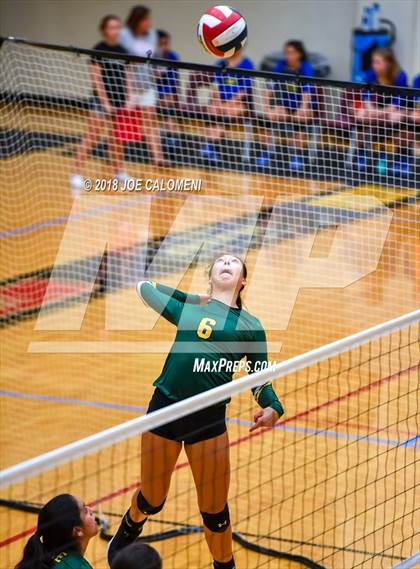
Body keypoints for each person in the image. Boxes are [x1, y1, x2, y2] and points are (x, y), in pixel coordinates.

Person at [107, 254, 284, 569]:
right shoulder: (190, 309)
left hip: (209, 419)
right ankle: (133, 522)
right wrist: (198, 297)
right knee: (152, 499)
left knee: (215, 513)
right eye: (220, 262)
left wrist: (272, 406)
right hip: (166, 409)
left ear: (243, 280)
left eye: (234, 263)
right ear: (211, 276)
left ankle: (225, 566)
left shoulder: (251, 326)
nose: (227, 263)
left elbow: (259, 379)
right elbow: (145, 287)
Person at [70, 15, 132, 195]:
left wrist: (128, 99)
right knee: (91, 137)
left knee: (118, 141)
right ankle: (75, 174)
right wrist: (105, 103)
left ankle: (119, 173)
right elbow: (96, 79)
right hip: (101, 102)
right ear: (104, 30)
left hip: (120, 102)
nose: (115, 31)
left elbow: (127, 76)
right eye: (112, 27)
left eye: (118, 27)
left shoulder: (123, 50)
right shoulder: (99, 49)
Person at [119, 5, 164, 164]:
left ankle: (158, 158)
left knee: (151, 121)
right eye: (145, 19)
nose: (148, 22)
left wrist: (158, 70)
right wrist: (127, 91)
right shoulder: (124, 35)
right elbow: (122, 62)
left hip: (147, 86)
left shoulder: (152, 35)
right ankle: (117, 159)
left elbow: (156, 56)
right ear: (137, 20)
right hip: (129, 87)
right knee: (121, 124)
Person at [15, 494, 98, 569]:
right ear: (78, 531)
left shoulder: (44, 560)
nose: (90, 509)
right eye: (85, 511)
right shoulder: (79, 567)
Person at [264, 40, 315, 122]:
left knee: (300, 117)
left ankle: (301, 132)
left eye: (292, 53)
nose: (288, 56)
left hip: (303, 105)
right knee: (274, 115)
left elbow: (307, 91)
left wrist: (302, 108)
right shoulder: (280, 66)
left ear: (300, 54)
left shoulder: (306, 68)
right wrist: (266, 109)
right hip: (284, 106)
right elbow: (269, 88)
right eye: (286, 53)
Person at [357, 48, 408, 121]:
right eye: (373, 62)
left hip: (398, 109)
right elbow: (366, 95)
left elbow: (397, 103)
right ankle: (365, 132)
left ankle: (393, 132)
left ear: (388, 63)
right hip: (378, 106)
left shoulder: (400, 76)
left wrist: (379, 112)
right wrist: (371, 109)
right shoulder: (371, 73)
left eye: (377, 62)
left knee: (394, 117)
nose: (374, 65)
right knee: (361, 114)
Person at [156, 30, 179, 108]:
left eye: (167, 44)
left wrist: (161, 94)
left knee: (167, 100)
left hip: (167, 91)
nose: (165, 47)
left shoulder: (173, 57)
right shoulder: (149, 56)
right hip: (151, 91)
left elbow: (172, 81)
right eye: (162, 44)